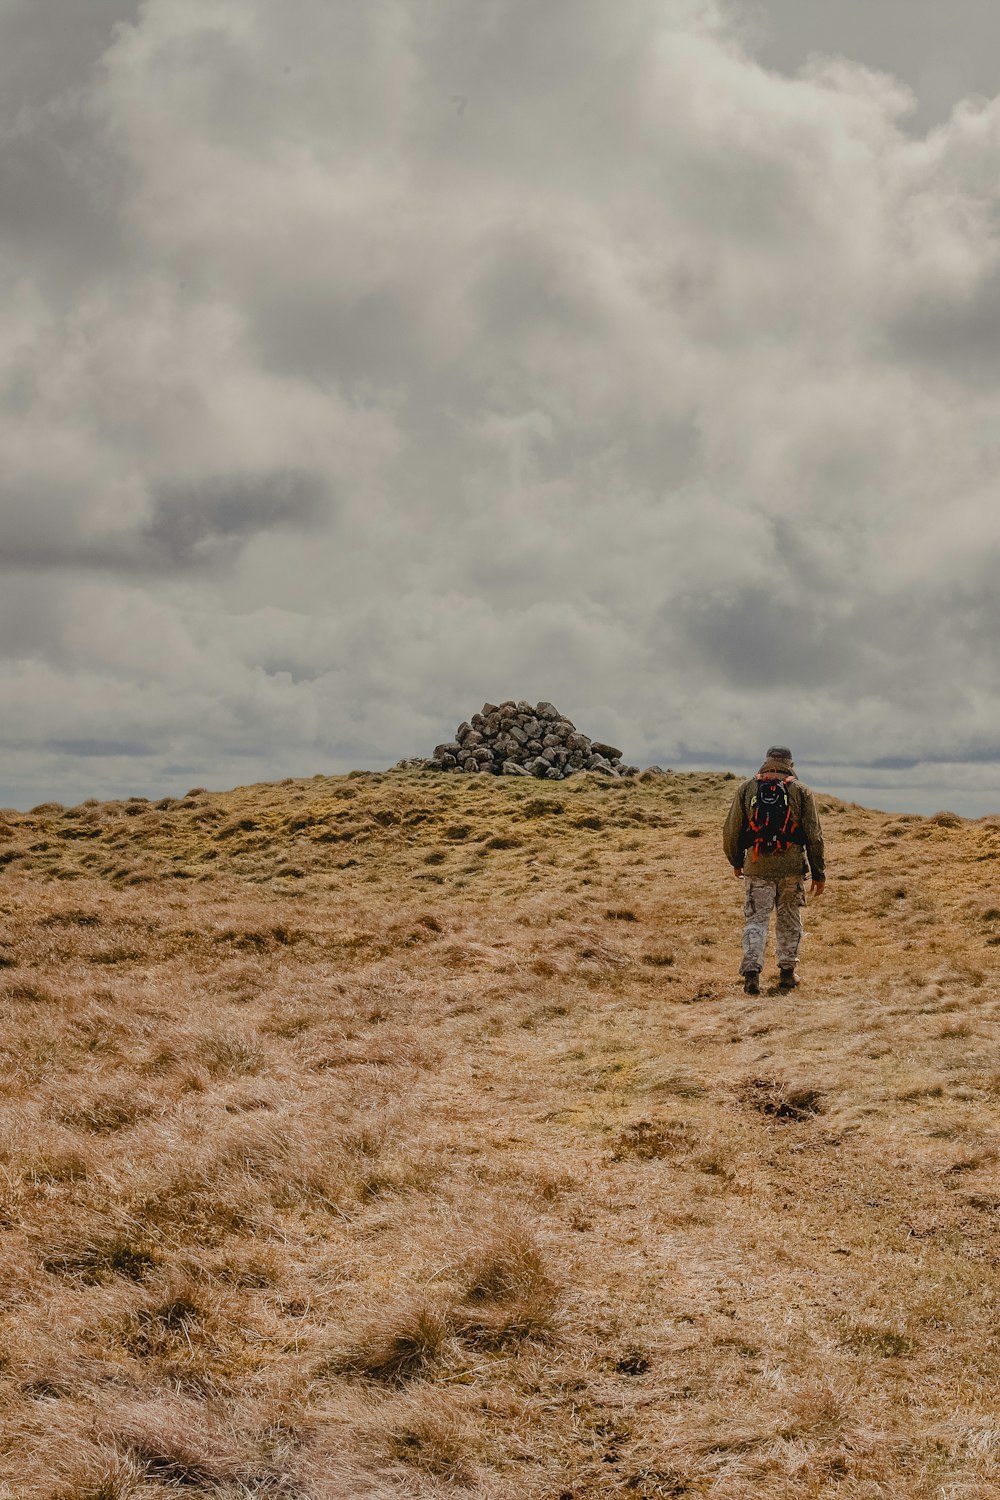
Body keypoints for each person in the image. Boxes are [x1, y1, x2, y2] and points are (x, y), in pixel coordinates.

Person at [722, 746, 826, 995]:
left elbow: (731, 830)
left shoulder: (747, 788)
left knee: (756, 921)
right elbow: (814, 835)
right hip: (791, 868)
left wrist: (736, 861)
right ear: (791, 764)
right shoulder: (800, 790)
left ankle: (751, 974)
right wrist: (819, 872)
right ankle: (788, 973)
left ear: (766, 762)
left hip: (757, 866)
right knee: (789, 920)